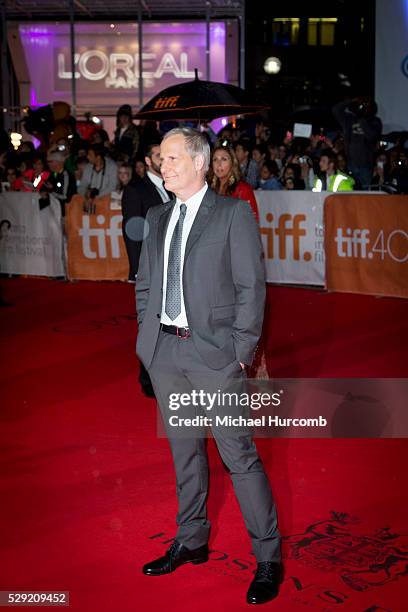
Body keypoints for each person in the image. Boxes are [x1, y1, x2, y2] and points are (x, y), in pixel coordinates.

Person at [136, 127, 282, 605]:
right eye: (162, 158)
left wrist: (239, 351)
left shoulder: (232, 214)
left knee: (238, 459)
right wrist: (147, 341)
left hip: (216, 357)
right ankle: (192, 539)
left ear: (200, 163)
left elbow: (251, 290)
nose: (164, 164)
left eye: (174, 157)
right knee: (185, 457)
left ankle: (267, 558)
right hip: (167, 354)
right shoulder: (157, 217)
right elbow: (144, 283)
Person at [122, 141, 171, 398]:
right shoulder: (136, 190)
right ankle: (147, 378)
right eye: (158, 156)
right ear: (148, 160)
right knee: (150, 323)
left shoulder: (174, 185)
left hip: (173, 266)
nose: (164, 160)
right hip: (149, 269)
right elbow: (132, 231)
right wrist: (136, 270)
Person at [332, 97, 382, 189]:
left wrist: (361, 119)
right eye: (361, 105)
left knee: (363, 194)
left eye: (366, 106)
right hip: (350, 164)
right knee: (349, 192)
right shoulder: (349, 119)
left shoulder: (375, 121)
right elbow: (336, 110)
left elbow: (372, 136)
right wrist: (351, 101)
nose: (362, 107)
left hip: (366, 166)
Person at [208, 144, 259, 221]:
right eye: (215, 159)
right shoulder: (208, 190)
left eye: (224, 159)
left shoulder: (243, 189)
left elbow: (252, 222)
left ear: (232, 163)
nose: (219, 164)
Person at [39, 150, 76, 215]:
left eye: (50, 161)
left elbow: (66, 197)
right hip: (52, 209)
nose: (48, 164)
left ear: (59, 162)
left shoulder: (66, 176)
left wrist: (49, 193)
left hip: (63, 211)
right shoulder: (53, 174)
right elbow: (44, 188)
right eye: (48, 162)